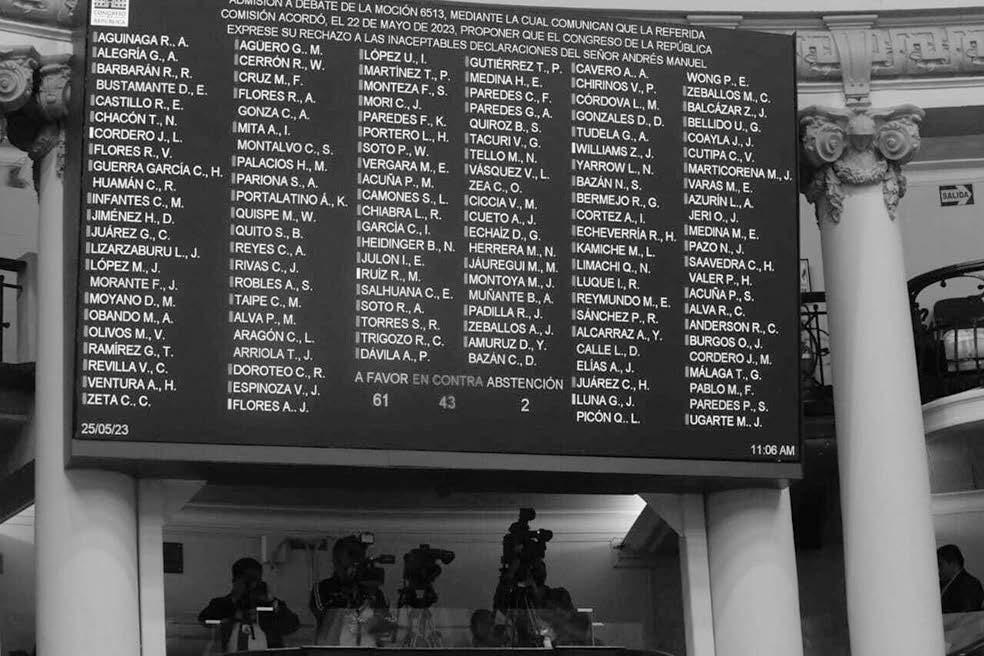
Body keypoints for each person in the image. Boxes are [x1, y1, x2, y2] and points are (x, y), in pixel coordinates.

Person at [198, 557, 300, 652]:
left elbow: (293, 625)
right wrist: (234, 599)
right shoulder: (222, 604)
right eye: (247, 580)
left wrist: (270, 602)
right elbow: (204, 619)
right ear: (235, 581)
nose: (252, 585)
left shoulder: (270, 605)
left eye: (256, 580)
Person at [310, 535, 391, 645]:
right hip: (333, 648)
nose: (354, 568)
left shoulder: (372, 591)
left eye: (358, 561)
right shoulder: (323, 588)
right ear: (337, 563)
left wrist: (369, 599)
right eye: (350, 562)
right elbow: (324, 615)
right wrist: (346, 597)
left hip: (365, 649)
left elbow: (385, 625)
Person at [938, 544, 984, 613]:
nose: (938, 570)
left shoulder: (970, 584)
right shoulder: (941, 583)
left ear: (953, 564)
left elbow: (967, 615)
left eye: (940, 565)